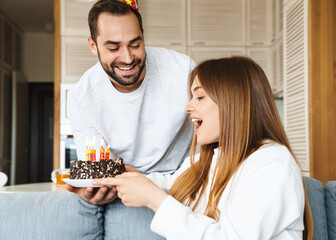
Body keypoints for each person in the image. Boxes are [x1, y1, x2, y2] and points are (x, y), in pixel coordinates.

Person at [95, 56, 314, 239]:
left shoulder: (272, 165)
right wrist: (124, 178)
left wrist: (154, 198)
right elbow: (171, 184)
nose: (188, 107)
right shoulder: (208, 159)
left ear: (233, 102)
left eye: (199, 97)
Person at [66, 0, 195, 206]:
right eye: (113, 47)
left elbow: (213, 148)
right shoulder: (82, 97)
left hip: (185, 183)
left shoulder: (183, 70)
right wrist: (96, 188)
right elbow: (96, 167)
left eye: (135, 44)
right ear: (93, 45)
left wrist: (158, 183)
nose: (127, 58)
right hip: (124, 191)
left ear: (143, 34)